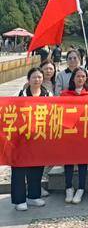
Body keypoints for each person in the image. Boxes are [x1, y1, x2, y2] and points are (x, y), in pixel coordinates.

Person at [11, 67, 51, 211]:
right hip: (21, 138)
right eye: (34, 77)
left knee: (37, 167)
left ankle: (33, 196)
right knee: (19, 169)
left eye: (39, 77)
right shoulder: (20, 94)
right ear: (28, 79)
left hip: (39, 137)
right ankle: (19, 199)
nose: (37, 80)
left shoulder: (48, 95)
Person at [61, 67, 88, 204]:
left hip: (84, 133)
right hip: (69, 133)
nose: (80, 79)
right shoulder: (64, 94)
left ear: (86, 78)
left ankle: (81, 188)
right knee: (68, 161)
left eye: (83, 76)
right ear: (73, 78)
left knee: (82, 161)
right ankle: (68, 187)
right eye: (78, 76)